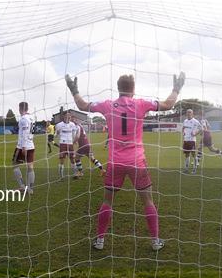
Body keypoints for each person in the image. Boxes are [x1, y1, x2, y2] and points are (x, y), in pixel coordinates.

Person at [65, 71, 185, 251]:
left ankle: (100, 240)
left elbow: (81, 104)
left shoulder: (107, 105)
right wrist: (177, 88)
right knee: (148, 201)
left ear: (118, 88)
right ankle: (155, 241)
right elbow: (169, 104)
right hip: (137, 161)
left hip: (115, 163)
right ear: (133, 89)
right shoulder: (141, 104)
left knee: (107, 201)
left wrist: (73, 89)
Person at [11, 101, 35, 194]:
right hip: (31, 145)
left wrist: (24, 146)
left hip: (22, 146)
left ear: (20, 108)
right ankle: (30, 189)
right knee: (30, 167)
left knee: (15, 165)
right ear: (27, 108)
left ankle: (22, 186)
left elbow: (25, 133)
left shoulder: (23, 119)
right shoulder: (32, 118)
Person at [55, 111, 78, 179]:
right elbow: (55, 135)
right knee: (62, 160)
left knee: (72, 159)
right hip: (63, 144)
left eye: (69, 116)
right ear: (64, 116)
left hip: (70, 144)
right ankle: (61, 176)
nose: (68, 117)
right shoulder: (59, 125)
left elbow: (74, 133)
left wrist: (75, 141)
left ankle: (75, 174)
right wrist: (57, 133)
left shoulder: (72, 124)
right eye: (67, 116)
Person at [182, 109, 201, 174]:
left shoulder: (195, 121)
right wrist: (183, 132)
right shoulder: (185, 121)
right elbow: (183, 128)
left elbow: (201, 129)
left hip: (192, 140)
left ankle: (194, 169)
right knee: (187, 155)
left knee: (193, 154)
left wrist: (195, 134)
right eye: (187, 112)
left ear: (192, 114)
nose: (188, 113)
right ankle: (186, 169)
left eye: (190, 112)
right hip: (185, 140)